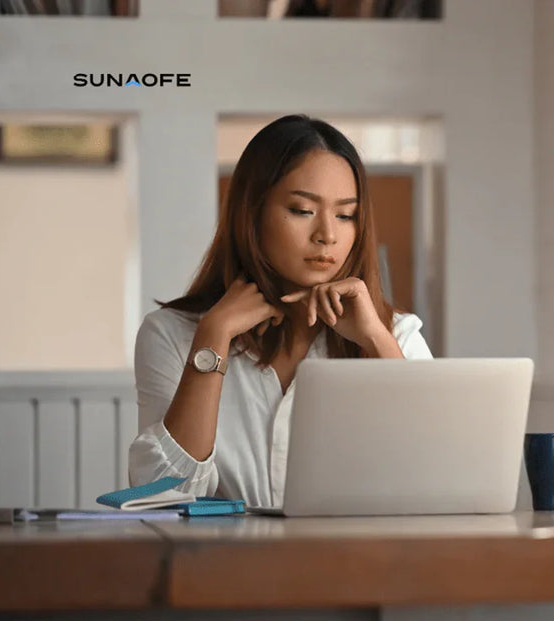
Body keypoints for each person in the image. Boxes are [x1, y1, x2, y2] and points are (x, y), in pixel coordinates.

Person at [128, 114, 432, 507]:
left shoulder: (397, 334)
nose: (327, 234)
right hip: (222, 565)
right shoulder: (172, 334)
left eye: (345, 215)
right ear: (251, 214)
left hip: (358, 564)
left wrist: (375, 340)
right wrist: (214, 336)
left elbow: (430, 472)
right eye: (303, 210)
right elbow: (159, 493)